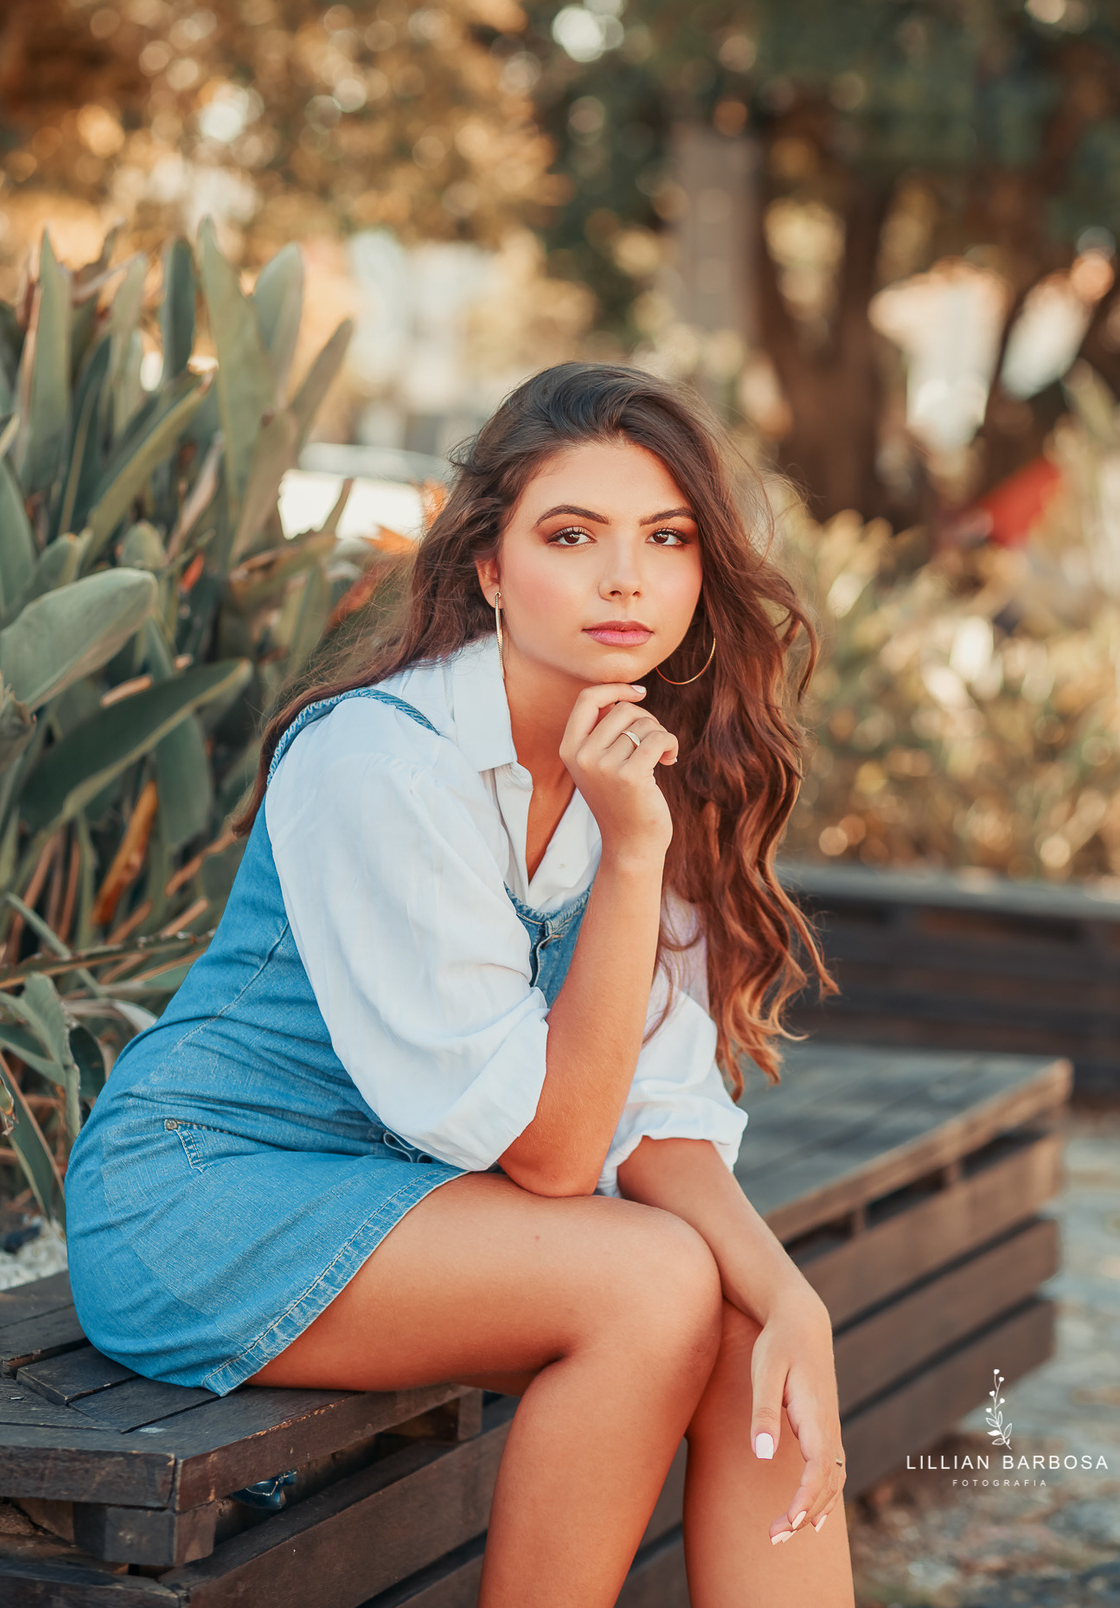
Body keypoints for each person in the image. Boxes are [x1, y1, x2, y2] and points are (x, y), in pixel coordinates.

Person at [65, 362, 854, 1607]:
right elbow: (549, 1158)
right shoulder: (386, 761)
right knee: (651, 1283)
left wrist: (792, 1295)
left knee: (754, 1331)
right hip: (205, 1191)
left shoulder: (653, 764)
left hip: (412, 1200)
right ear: (489, 569)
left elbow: (658, 1111)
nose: (624, 579)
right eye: (571, 535)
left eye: (665, 537)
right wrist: (633, 850)